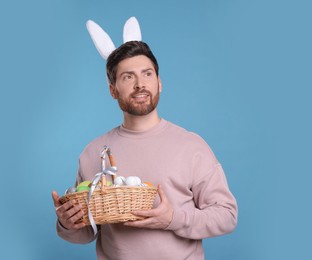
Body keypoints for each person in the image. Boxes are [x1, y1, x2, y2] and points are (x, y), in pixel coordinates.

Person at [52, 19, 237, 260]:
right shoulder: (94, 152)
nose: (140, 84)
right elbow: (87, 232)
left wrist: (172, 219)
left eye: (147, 74)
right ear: (113, 89)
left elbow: (227, 216)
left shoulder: (191, 146)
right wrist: (68, 223)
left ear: (159, 83)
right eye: (128, 77)